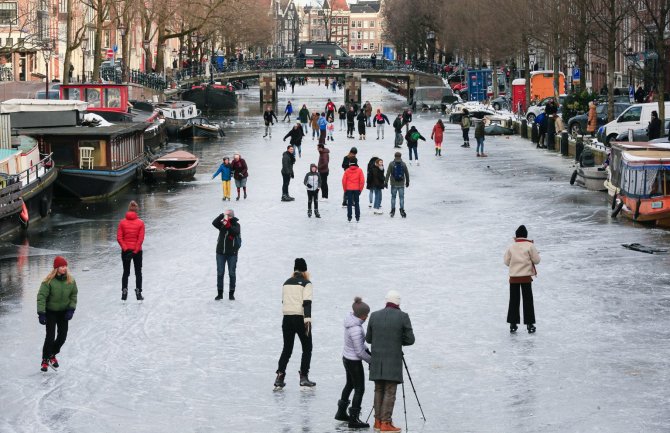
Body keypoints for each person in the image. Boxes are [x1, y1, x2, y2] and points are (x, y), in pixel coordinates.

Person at [366, 290, 415, 432]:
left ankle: (377, 421)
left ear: (386, 301)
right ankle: (386, 423)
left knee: (378, 389)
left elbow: (369, 339)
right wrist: (397, 341)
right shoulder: (403, 316)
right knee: (389, 391)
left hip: (376, 360)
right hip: (392, 360)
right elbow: (410, 339)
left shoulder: (374, 316)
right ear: (398, 302)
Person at [274, 258, 316, 389]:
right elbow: (307, 302)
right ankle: (304, 376)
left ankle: (280, 377)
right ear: (305, 270)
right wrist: (307, 321)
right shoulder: (306, 283)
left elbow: (283, 301)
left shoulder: (286, 283)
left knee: (287, 348)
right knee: (307, 347)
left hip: (286, 318)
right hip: (300, 319)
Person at [335, 297, 372, 428]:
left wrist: (369, 352)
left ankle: (341, 412)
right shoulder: (356, 329)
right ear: (361, 315)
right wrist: (371, 361)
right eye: (366, 315)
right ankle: (353, 419)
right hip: (353, 362)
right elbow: (360, 352)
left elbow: (361, 345)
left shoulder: (350, 320)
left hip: (346, 357)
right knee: (359, 388)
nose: (367, 317)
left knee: (350, 384)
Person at [37, 256, 78, 372]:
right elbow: (41, 297)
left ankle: (52, 354)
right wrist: (41, 313)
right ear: (56, 268)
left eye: (65, 266)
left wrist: (71, 309)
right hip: (51, 312)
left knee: (62, 337)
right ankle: (45, 360)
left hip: (64, 313)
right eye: (61, 266)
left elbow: (73, 295)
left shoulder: (71, 281)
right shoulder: (48, 282)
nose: (64, 268)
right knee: (50, 337)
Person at [504, 225, 540, 334]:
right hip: (526, 278)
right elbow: (537, 260)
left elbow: (506, 262)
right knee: (528, 300)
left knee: (514, 301)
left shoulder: (511, 247)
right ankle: (530, 324)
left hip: (514, 278)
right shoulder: (530, 246)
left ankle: (513, 324)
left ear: (516, 235)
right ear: (526, 235)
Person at [116, 201, 146, 301]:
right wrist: (135, 251)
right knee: (138, 272)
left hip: (126, 252)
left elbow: (119, 238)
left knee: (126, 272)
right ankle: (138, 293)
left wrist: (126, 249)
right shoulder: (140, 223)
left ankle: (124, 292)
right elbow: (140, 239)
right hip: (137, 252)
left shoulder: (122, 222)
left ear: (128, 209)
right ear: (137, 210)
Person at [212, 209, 241, 300]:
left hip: (232, 254)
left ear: (231, 216)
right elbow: (214, 223)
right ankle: (219, 294)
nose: (226, 217)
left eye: (228, 216)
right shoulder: (222, 224)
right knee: (220, 273)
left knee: (232, 273)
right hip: (220, 253)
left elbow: (235, 232)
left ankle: (231, 294)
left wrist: (228, 225)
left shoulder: (237, 224)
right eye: (226, 216)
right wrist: (222, 215)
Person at [384, 152, 409, 218]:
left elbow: (388, 173)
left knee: (393, 197)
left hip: (393, 184)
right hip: (401, 184)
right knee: (401, 198)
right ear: (400, 156)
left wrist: (385, 182)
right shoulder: (403, 164)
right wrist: (407, 182)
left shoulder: (391, 164)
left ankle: (392, 210)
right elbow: (406, 173)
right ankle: (402, 210)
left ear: (394, 156)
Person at [342, 158, 365, 222]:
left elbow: (344, 181)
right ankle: (357, 217)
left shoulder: (347, 170)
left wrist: (345, 190)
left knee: (349, 203)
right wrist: (360, 189)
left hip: (349, 189)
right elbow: (362, 181)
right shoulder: (359, 170)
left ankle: (349, 217)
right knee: (357, 203)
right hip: (357, 189)